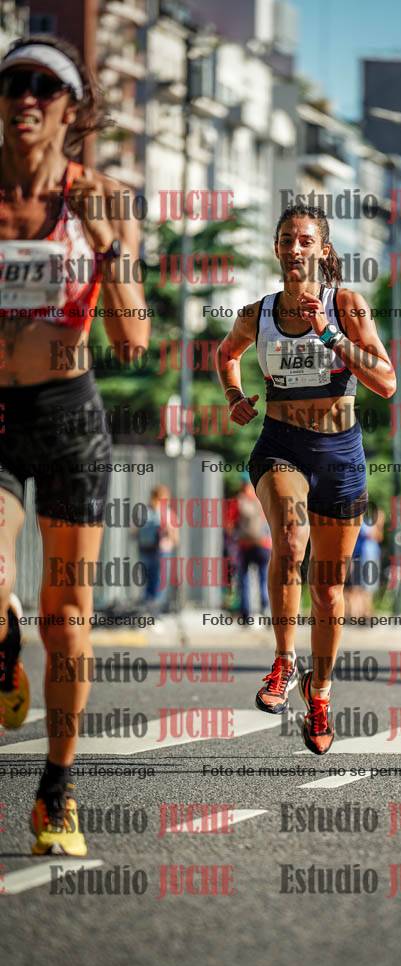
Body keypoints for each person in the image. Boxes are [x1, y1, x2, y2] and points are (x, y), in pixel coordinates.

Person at [0, 35, 149, 854]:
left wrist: (107, 245)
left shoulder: (105, 197)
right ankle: (2, 643)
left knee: (65, 621)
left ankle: (56, 792)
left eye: (43, 86)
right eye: (12, 84)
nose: (25, 98)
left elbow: (133, 339)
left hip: (67, 418)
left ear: (71, 107)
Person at [215, 204, 395, 753]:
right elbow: (226, 353)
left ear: (323, 250)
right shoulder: (259, 313)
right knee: (291, 541)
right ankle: (283, 661)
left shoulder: (346, 305)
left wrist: (330, 335)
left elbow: (387, 381)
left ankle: (320, 693)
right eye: (287, 239)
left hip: (339, 454)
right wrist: (234, 396)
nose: (295, 248)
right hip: (281, 447)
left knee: (329, 590)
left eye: (305, 240)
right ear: (277, 249)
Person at [232, 471, 271, 619]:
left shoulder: (238, 501)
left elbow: (230, 524)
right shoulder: (263, 499)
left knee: (244, 579)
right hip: (263, 545)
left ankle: (246, 613)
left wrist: (236, 537)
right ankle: (265, 609)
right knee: (263, 578)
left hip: (245, 545)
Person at [136, 485, 178, 612]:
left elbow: (134, 532)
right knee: (159, 583)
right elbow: (175, 538)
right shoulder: (167, 514)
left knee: (148, 582)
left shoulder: (144, 513)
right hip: (162, 552)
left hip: (145, 550)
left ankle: (148, 609)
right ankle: (155, 611)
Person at [345, 507, 385, 620]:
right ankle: (358, 613)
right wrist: (379, 524)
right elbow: (372, 534)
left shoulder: (367, 523)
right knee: (358, 588)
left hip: (370, 558)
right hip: (362, 558)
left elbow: (379, 537)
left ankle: (364, 613)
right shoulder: (362, 523)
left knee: (367, 588)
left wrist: (379, 526)